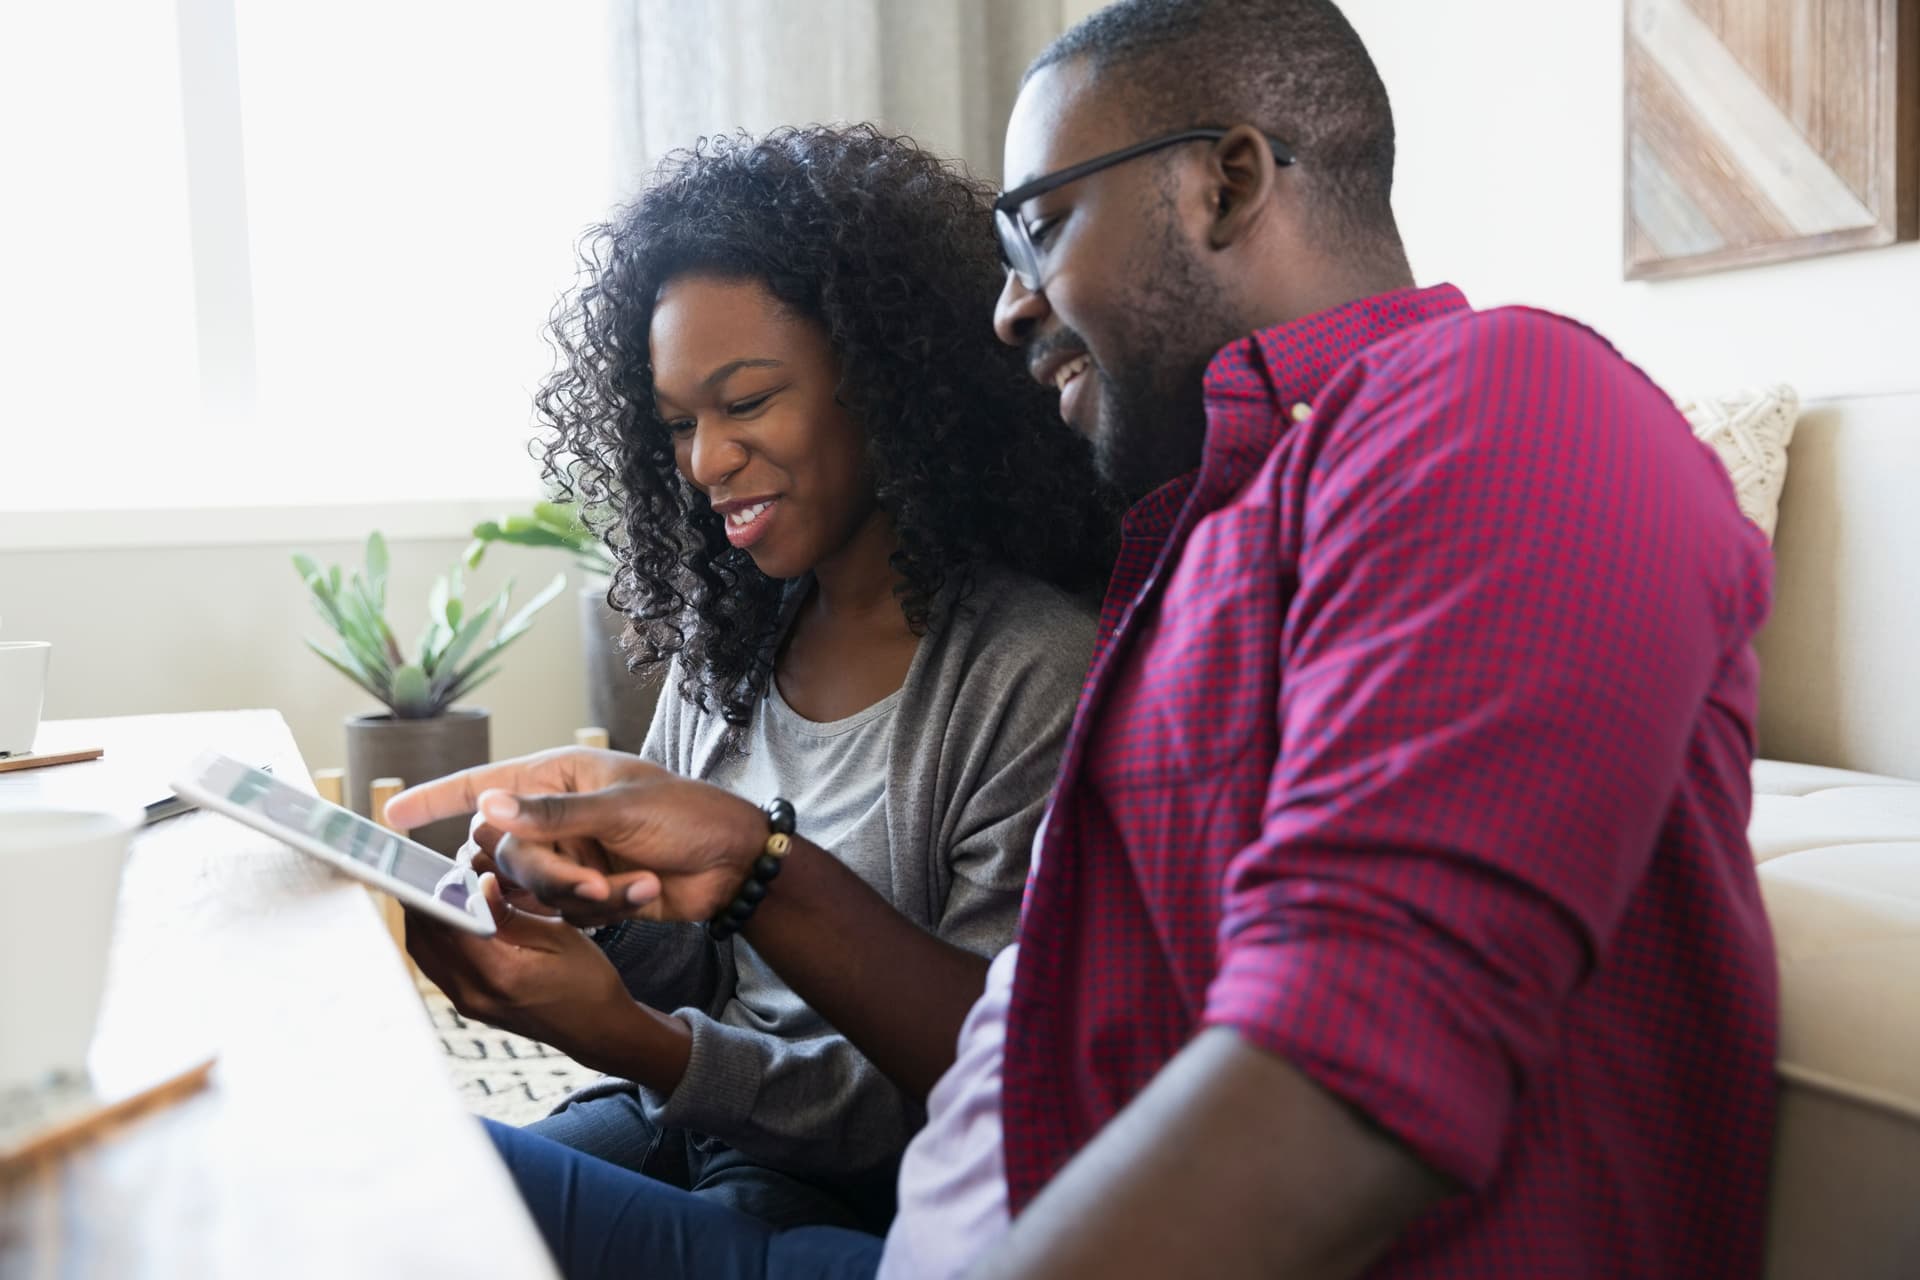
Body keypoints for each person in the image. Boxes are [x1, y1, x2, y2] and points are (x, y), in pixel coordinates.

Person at [391, 2, 1780, 1276]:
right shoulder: (1189, 560)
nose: (1007, 309)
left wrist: (749, 893)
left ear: (1226, 182)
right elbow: (1051, 1047)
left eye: (1043, 228)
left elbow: (1358, 1049)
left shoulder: (1502, 406)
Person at [401, 124, 1117, 1236]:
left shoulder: (1028, 675)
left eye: (743, 403)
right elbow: (707, 976)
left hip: (866, 1195)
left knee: (449, 1202)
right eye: (678, 423)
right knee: (410, 1179)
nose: (705, 461)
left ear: (885, 381)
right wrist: (591, 906)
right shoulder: (737, 638)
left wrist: (638, 1042)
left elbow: (977, 1091)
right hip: (703, 1127)